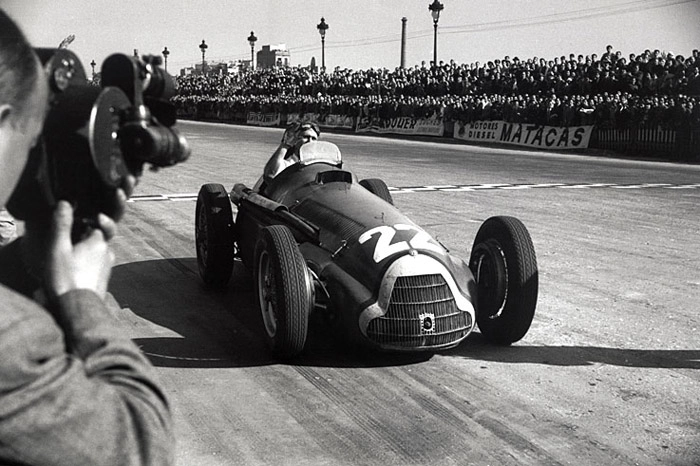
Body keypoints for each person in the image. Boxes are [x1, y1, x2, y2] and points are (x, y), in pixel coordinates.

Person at [0, 9, 173, 465]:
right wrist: (81, 301)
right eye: (31, 130)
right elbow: (139, 446)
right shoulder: (14, 341)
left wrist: (35, 257)